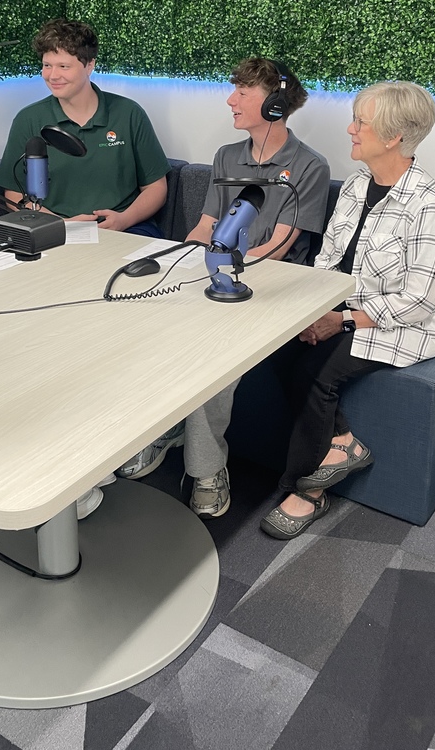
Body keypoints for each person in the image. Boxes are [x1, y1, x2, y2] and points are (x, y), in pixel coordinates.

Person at [116, 58, 332, 521]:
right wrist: (175, 266)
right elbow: (206, 225)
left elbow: (279, 246)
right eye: (233, 90)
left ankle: (208, 469)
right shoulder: (225, 157)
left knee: (212, 352)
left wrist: (228, 273)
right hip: (213, 276)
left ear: (275, 104)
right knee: (145, 322)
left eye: (243, 93)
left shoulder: (309, 166)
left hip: (269, 291)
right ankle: (163, 428)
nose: (230, 100)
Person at [259, 80, 435, 540]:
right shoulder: (355, 186)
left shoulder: (432, 208)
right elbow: (329, 260)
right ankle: (343, 441)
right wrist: (311, 312)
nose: (349, 129)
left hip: (409, 324)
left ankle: (305, 491)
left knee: (317, 370)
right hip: (347, 305)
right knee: (275, 346)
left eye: (360, 122)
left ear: (393, 138)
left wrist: (340, 321)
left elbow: (417, 301)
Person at [0, 18, 169, 237]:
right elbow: (13, 193)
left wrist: (125, 219)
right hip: (54, 228)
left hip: (127, 229)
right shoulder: (28, 119)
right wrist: (59, 224)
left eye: (64, 66)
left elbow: (156, 187)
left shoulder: (128, 114)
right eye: (47, 65)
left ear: (90, 65)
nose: (52, 75)